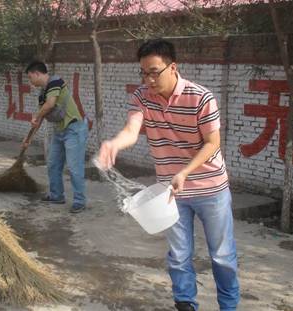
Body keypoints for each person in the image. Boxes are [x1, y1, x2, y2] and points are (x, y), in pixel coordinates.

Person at [97, 39, 239, 311]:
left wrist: (185, 171)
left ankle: (229, 307)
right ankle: (185, 304)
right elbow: (132, 129)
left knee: (222, 256)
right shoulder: (141, 96)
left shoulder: (201, 97)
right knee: (179, 255)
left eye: (154, 72)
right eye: (143, 72)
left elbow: (212, 143)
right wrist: (114, 143)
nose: (148, 79)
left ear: (173, 67)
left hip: (211, 189)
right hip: (170, 192)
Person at [25, 61, 88, 213]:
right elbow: (40, 118)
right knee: (53, 164)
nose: (30, 81)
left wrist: (36, 115)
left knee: (74, 167)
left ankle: (80, 201)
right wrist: (28, 139)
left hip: (74, 129)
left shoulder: (55, 82)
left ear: (36, 73)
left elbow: (50, 104)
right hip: (60, 131)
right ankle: (56, 195)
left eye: (30, 77)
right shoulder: (42, 94)